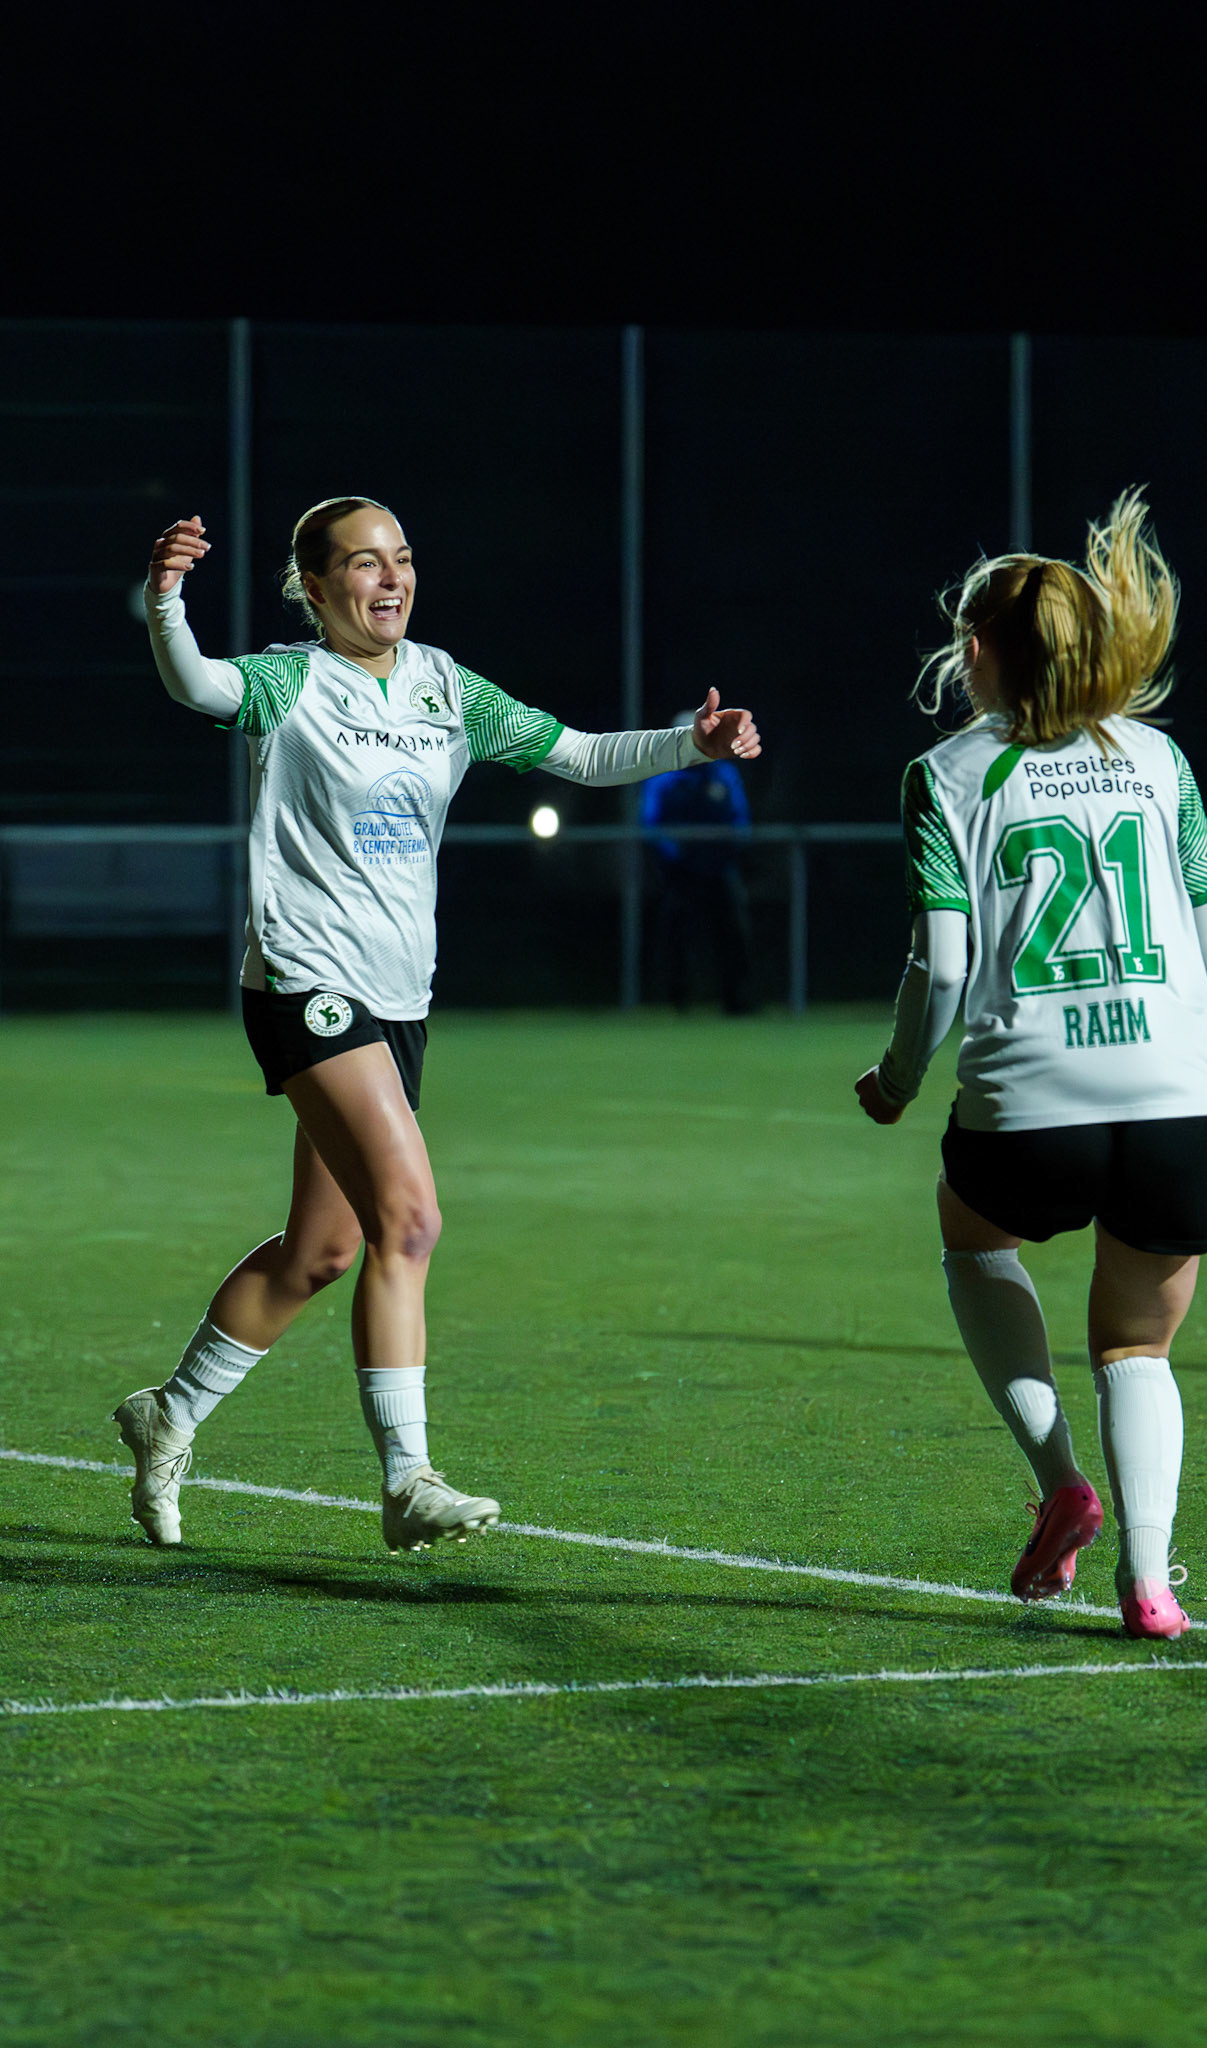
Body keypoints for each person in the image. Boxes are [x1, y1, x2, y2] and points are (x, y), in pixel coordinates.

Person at [114, 498, 760, 1552]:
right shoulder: (290, 682)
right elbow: (197, 683)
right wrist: (167, 600)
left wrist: (692, 741)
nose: (391, 578)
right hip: (305, 983)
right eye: (362, 564)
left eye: (403, 558)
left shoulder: (445, 687)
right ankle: (408, 1478)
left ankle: (168, 1412)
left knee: (318, 1252)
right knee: (409, 1219)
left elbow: (585, 754)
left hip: (398, 998)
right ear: (316, 589)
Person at [855, 490, 1207, 1642]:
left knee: (974, 1239)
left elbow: (947, 967)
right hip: (1179, 1100)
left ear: (978, 651)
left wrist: (898, 1077)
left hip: (1029, 1102)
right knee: (1136, 1343)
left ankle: (1062, 1476)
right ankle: (1150, 1582)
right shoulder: (1161, 761)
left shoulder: (945, 774)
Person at [640, 713, 756, 1013]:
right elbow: (650, 824)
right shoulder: (664, 779)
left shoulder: (722, 775)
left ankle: (738, 1001)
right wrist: (676, 854)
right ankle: (676, 1001)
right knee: (675, 934)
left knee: (732, 935)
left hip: (719, 868)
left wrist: (730, 849)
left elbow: (739, 820)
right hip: (681, 872)